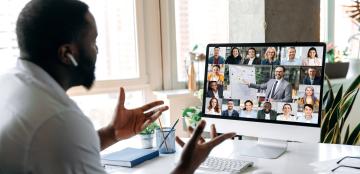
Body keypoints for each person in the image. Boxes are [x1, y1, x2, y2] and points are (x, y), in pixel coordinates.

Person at [0, 1, 235, 173]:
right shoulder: (58, 121)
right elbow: (57, 137)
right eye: (92, 42)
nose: (97, 50)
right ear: (67, 53)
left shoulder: (10, 84)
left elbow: (50, 151)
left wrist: (111, 133)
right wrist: (187, 165)